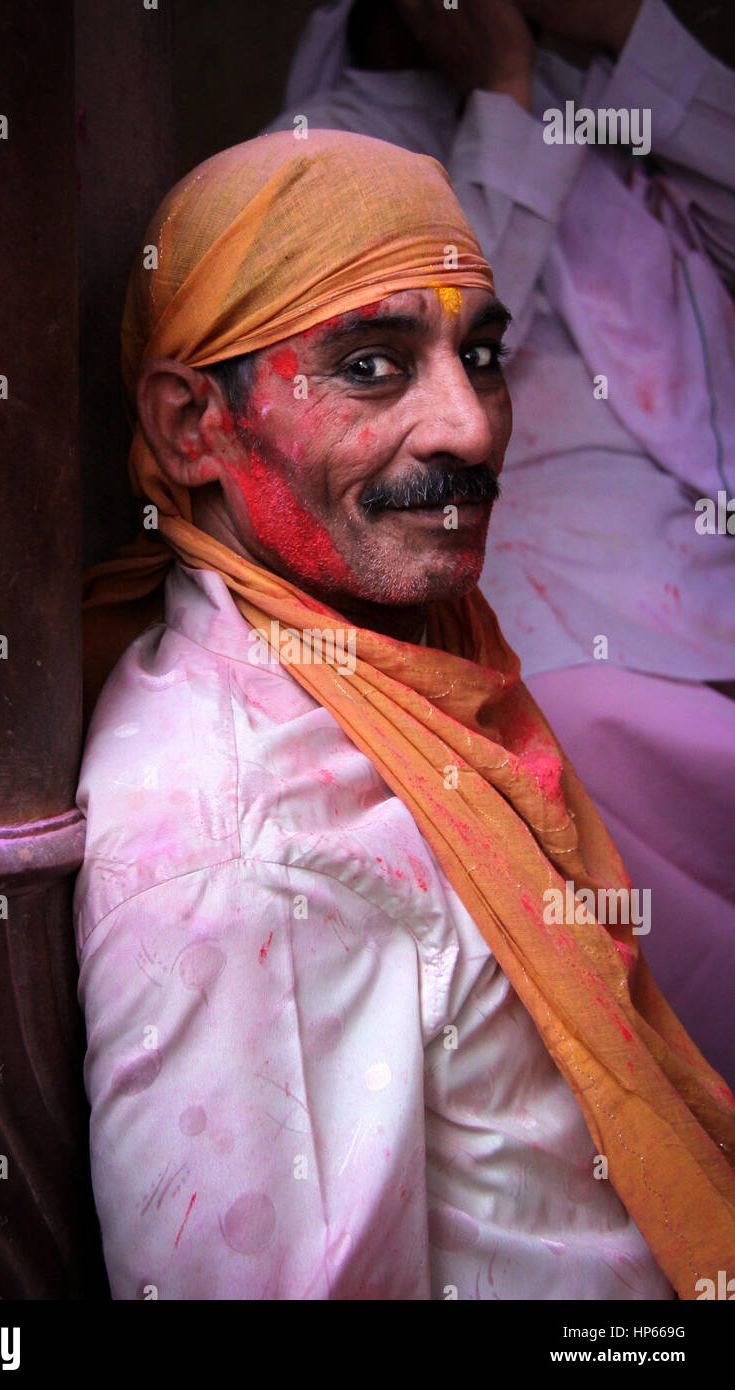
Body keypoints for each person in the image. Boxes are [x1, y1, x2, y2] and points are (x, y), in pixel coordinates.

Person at [75, 129, 735, 1301]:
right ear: (194, 427)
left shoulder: (399, 670)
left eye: (478, 356)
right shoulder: (253, 850)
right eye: (370, 365)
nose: (470, 427)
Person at [264, 0, 735, 1090]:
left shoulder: (600, 106)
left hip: (701, 562)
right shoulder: (314, 155)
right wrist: (500, 95)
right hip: (585, 624)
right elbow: (410, 379)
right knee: (577, 742)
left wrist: (622, 38)